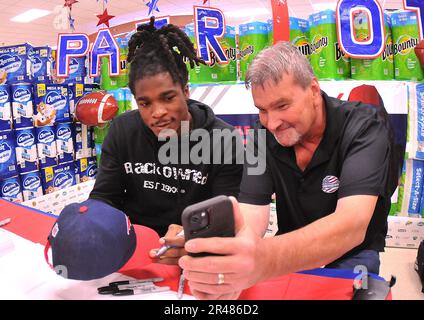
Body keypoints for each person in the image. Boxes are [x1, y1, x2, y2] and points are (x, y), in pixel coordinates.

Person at [179, 41, 398, 300]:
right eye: (262, 110)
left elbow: (351, 226)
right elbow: (252, 215)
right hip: (291, 248)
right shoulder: (262, 136)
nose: (271, 123)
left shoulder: (363, 127)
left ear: (314, 90)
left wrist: (262, 259)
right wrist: (231, 253)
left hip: (353, 252)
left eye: (282, 106)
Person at [89, 17, 243, 263]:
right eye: (145, 103)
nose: (157, 112)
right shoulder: (122, 130)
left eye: (168, 97)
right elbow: (104, 197)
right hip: (134, 250)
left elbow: (229, 217)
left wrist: (192, 244)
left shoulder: (224, 140)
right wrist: (89, 225)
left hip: (199, 254)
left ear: (185, 91)